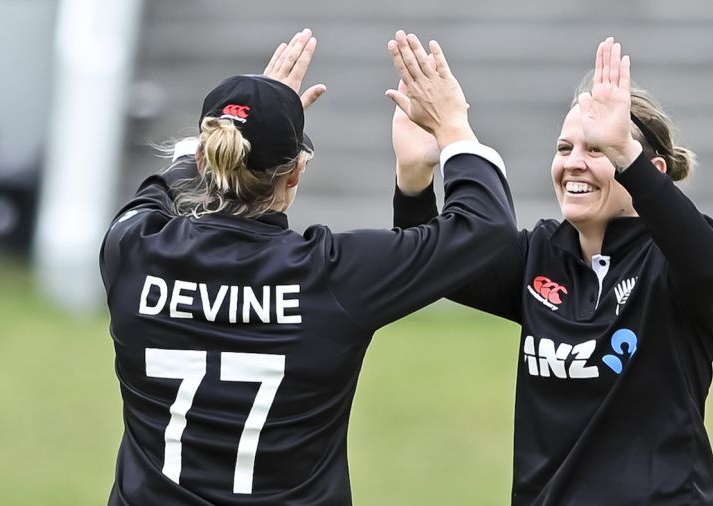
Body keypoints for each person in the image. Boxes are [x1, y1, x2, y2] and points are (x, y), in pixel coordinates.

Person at [99, 28, 516, 505]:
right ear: (297, 170)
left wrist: (244, 112)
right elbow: (486, 229)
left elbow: (162, 188)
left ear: (206, 154)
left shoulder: (132, 249)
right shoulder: (332, 274)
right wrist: (452, 127)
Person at [392, 37, 713, 505]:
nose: (573, 162)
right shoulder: (540, 255)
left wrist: (626, 156)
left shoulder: (671, 261)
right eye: (565, 147)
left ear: (648, 169)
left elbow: (706, 262)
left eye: (597, 151)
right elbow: (432, 263)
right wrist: (414, 181)